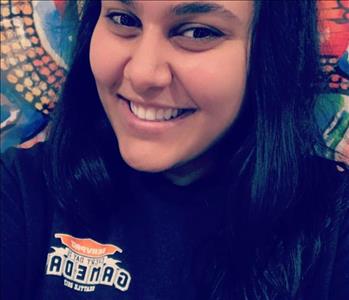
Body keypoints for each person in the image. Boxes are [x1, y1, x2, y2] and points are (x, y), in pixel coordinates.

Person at [1, 1, 348, 299]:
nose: (142, 73)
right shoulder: (23, 191)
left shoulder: (334, 224)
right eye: (123, 19)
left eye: (198, 33)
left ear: (269, 52)